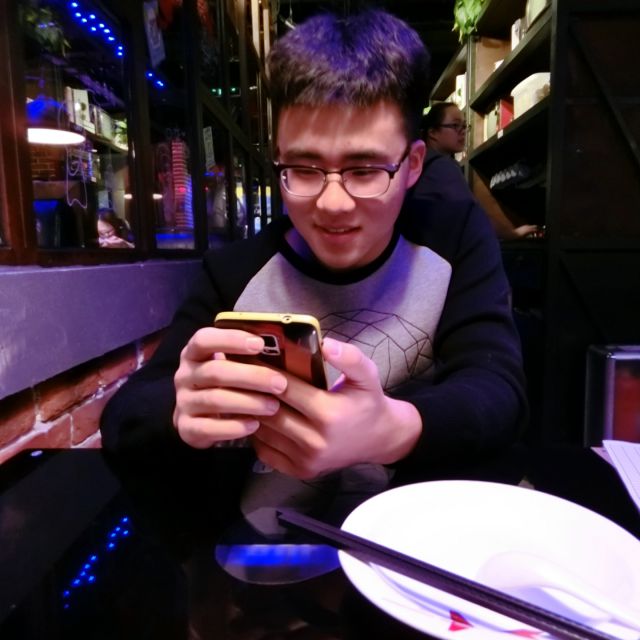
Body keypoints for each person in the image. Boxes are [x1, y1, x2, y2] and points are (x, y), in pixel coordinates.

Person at [100, 11, 527, 486]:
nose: (332, 204)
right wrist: (179, 409)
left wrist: (393, 429)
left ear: (412, 166)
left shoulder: (454, 238)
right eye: (303, 170)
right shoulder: (235, 272)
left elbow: (497, 388)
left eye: (365, 171)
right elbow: (124, 420)